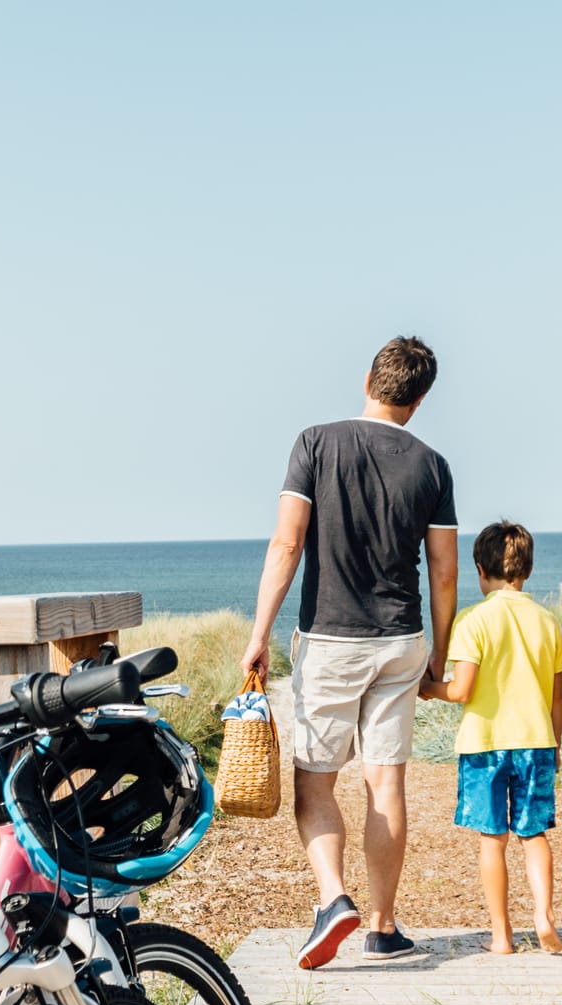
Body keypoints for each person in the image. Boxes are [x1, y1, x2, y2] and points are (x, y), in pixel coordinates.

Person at [240, 336, 459, 968]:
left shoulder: (315, 442)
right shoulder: (433, 466)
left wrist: (259, 635)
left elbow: (287, 546)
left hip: (331, 640)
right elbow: (442, 572)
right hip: (401, 641)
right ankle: (384, 927)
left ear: (368, 378)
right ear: (420, 398)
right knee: (386, 783)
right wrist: (438, 657)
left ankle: (334, 897)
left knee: (316, 782)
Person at [418, 522, 562, 955]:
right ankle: (543, 916)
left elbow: (461, 690)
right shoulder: (547, 621)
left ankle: (501, 936)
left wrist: (428, 688)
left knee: (492, 839)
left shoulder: (473, 620)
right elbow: (557, 699)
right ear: (528, 569)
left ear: (480, 570)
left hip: (484, 745)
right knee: (534, 834)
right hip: (537, 741)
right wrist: (554, 745)